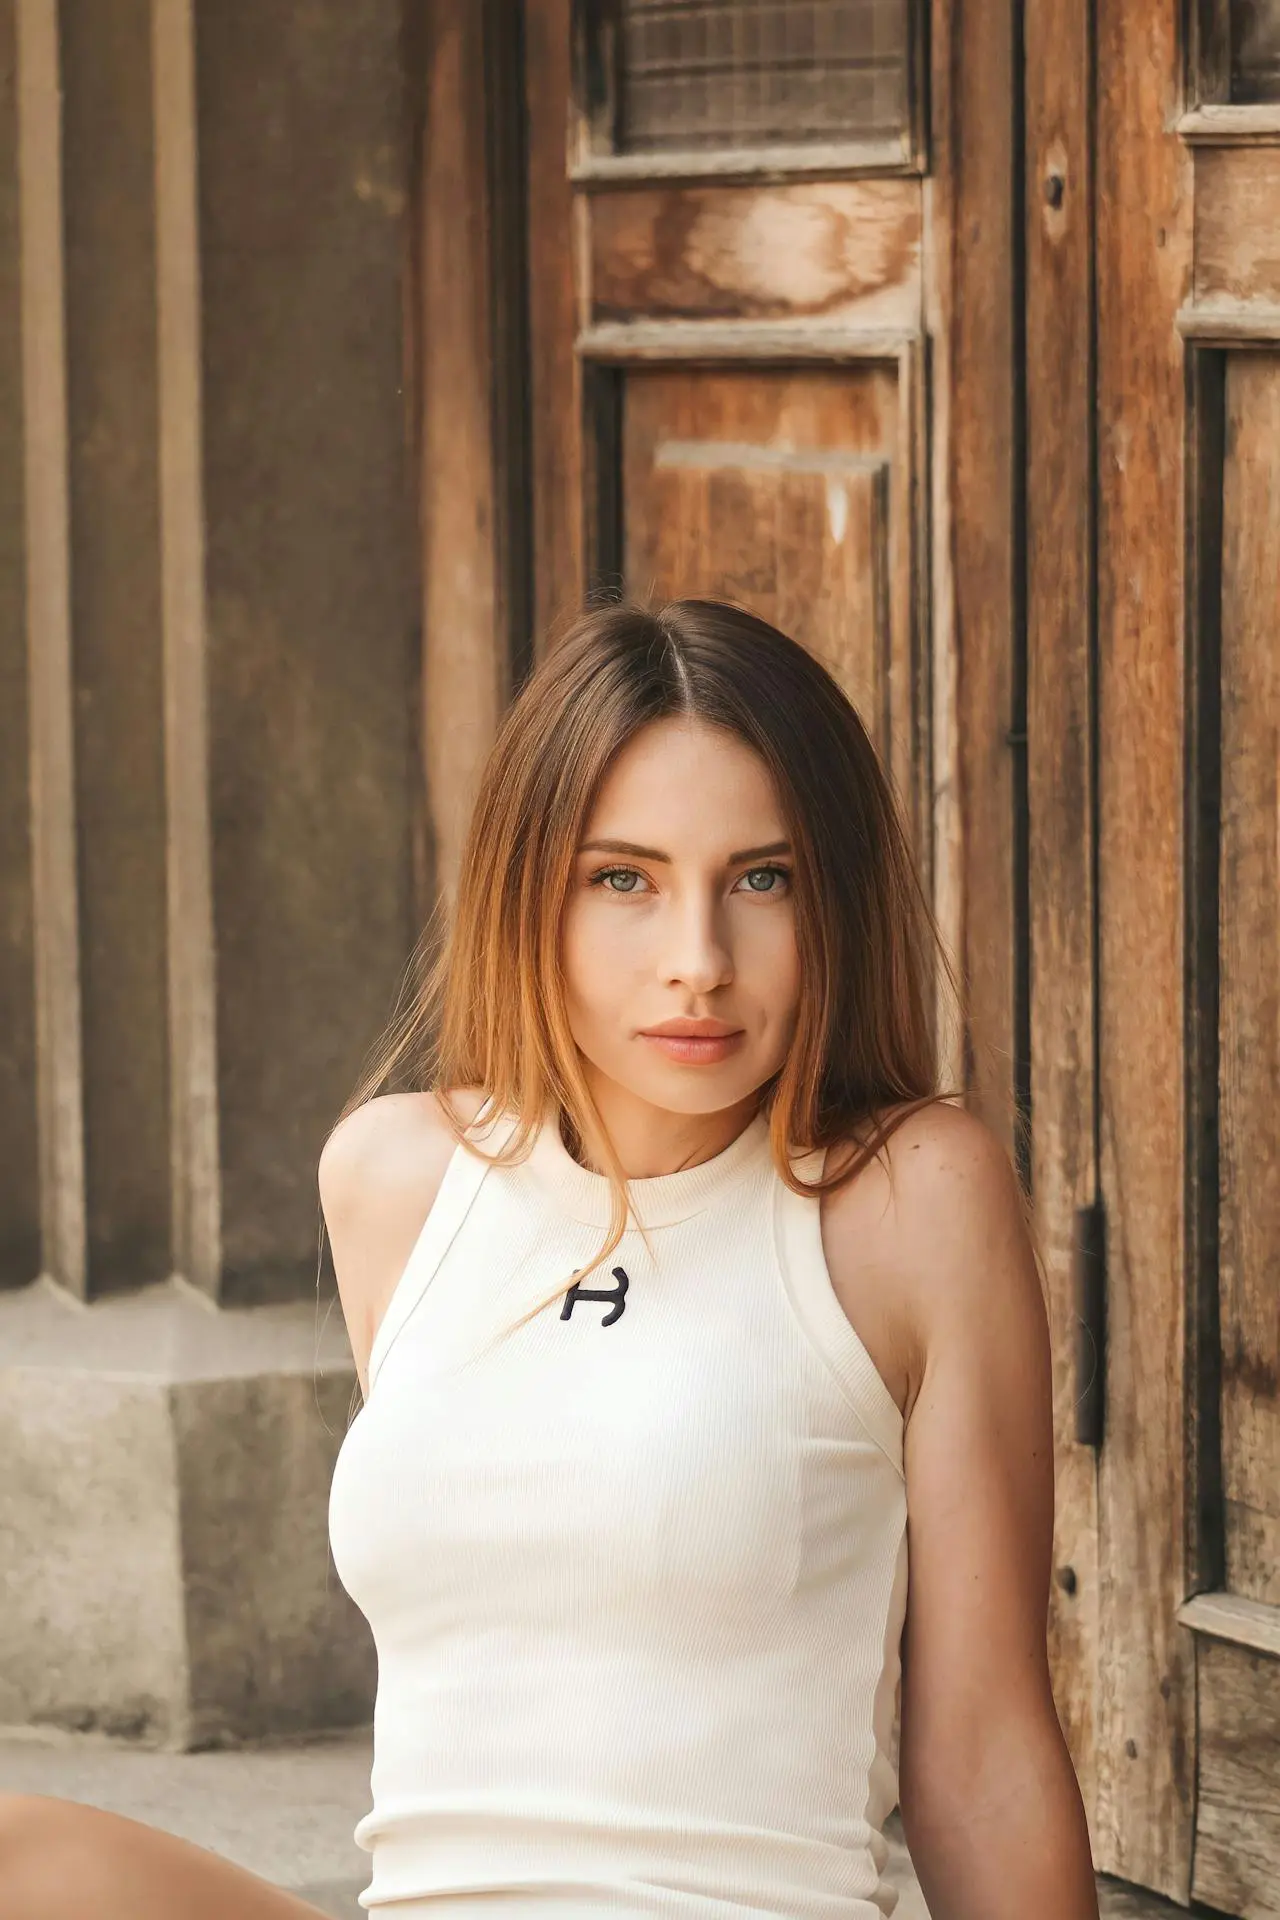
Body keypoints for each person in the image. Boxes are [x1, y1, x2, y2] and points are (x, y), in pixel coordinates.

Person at [0, 598, 1100, 1919]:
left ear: (835, 902)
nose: (697, 963)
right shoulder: (395, 1179)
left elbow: (981, 1751)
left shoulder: (905, 1196)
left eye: (763, 878)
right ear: (531, 888)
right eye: (623, 878)